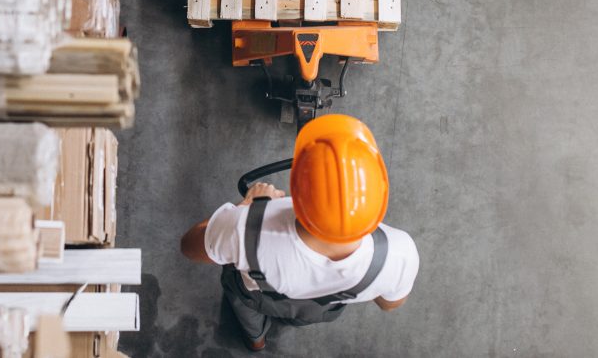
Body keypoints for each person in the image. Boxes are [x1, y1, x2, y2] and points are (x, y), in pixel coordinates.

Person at [179, 114, 419, 352]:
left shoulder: (245, 228)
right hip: (318, 310)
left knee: (247, 312)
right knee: (300, 317)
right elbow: (390, 304)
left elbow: (190, 246)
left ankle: (256, 341)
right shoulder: (399, 254)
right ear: (380, 195)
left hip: (256, 295)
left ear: (296, 187)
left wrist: (247, 204)